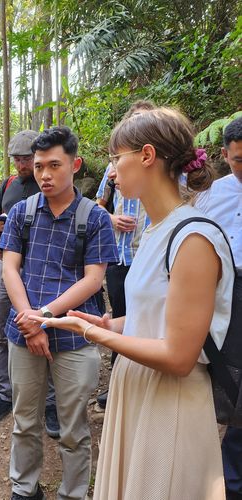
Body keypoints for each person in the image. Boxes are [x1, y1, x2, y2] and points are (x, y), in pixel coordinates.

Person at [33, 108, 235, 500]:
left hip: (170, 400)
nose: (111, 171)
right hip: (141, 390)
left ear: (146, 156)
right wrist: (113, 325)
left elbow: (179, 355)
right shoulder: (156, 229)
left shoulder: (192, 239)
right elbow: (159, 315)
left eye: (115, 159)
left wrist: (94, 334)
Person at [0, 126, 118, 500]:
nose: (45, 175)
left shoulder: (94, 218)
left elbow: (93, 279)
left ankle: (73, 492)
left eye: (54, 165)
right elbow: (9, 269)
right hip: (24, 333)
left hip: (74, 335)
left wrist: (44, 316)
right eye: (38, 167)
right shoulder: (21, 213)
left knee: (73, 426)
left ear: (75, 164)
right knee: (25, 420)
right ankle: (24, 487)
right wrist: (31, 321)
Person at [0, 130, 59, 437]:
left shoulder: (48, 184)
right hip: (6, 263)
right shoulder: (9, 184)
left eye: (27, 159)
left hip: (39, 267)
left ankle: (51, 403)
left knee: (46, 328)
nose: (22, 165)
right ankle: (5, 395)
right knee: (5, 332)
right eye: (17, 159)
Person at [95, 100, 154, 407]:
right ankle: (119, 381)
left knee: (147, 319)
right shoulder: (113, 169)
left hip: (150, 255)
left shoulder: (163, 169)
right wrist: (112, 219)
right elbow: (98, 205)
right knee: (119, 317)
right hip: (119, 257)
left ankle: (146, 381)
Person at [195, 116, 242, 500]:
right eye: (240, 159)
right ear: (225, 155)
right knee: (228, 375)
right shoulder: (212, 194)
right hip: (228, 291)